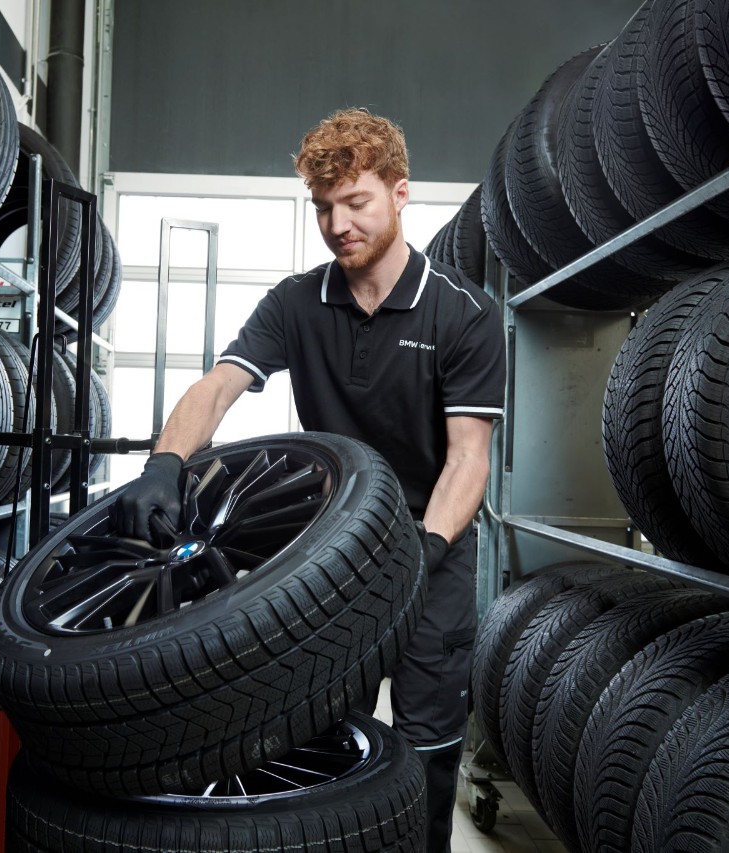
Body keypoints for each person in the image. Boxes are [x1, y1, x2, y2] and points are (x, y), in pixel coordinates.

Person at [116, 107, 505, 853]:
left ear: (400, 193)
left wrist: (424, 549)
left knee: (426, 748)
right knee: (324, 736)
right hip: (332, 557)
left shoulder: (464, 314)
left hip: (432, 549)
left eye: (355, 203)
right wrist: (165, 462)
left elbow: (468, 457)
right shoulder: (297, 302)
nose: (337, 225)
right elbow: (219, 386)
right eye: (323, 208)